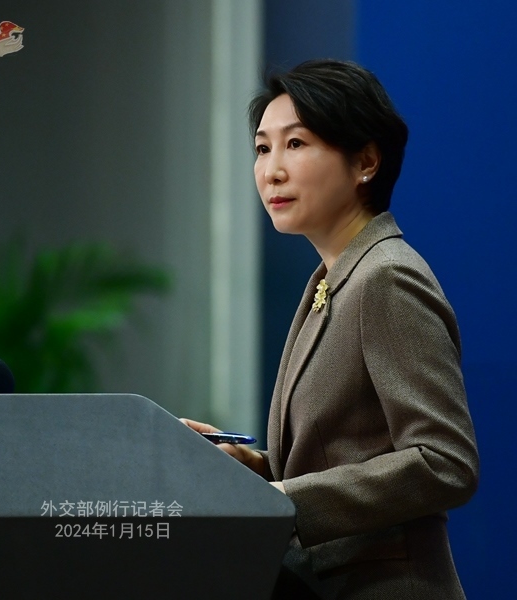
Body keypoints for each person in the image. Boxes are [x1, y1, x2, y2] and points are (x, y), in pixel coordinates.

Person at [182, 59, 479, 599]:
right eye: (262, 148)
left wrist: (283, 500)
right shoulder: (333, 277)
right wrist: (254, 469)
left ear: (365, 161)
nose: (271, 171)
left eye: (295, 144)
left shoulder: (386, 277)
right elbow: (343, 457)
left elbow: (445, 462)